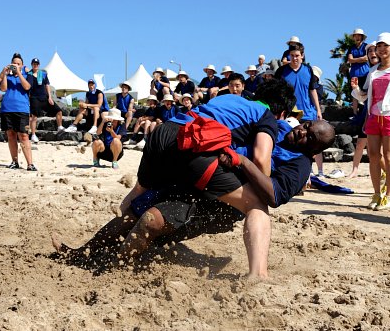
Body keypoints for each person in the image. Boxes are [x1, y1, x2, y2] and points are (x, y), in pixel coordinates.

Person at [53, 79, 297, 278]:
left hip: (163, 134)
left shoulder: (229, 99)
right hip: (188, 146)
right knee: (256, 204)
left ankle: (83, 252)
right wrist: (258, 184)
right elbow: (261, 158)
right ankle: (115, 269)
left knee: (137, 197)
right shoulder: (265, 116)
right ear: (282, 112)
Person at [351, 32, 390, 211]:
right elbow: (365, 96)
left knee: (389, 155)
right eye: (379, 46)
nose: (382, 49)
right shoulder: (372, 71)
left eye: (386, 45)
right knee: (374, 157)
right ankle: (377, 194)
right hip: (373, 117)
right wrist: (355, 89)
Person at [275, 43, 324, 177]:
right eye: (292, 56)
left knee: (315, 141)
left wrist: (318, 110)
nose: (294, 58)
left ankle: (318, 171)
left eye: (297, 56)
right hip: (290, 114)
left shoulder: (308, 70)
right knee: (291, 141)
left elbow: (312, 90)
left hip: (308, 112)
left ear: (302, 56)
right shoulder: (281, 71)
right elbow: (277, 92)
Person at [0, 53, 38, 171]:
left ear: (22, 65)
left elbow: (27, 87)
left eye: (18, 64)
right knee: (11, 135)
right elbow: (3, 88)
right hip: (7, 109)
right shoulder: (7, 76)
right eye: (14, 63)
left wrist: (19, 73)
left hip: (21, 109)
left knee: (24, 135)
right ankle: (14, 161)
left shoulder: (27, 75)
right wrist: (5, 73)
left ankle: (30, 164)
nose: (15, 65)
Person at [348, 41, 378, 178]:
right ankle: (354, 170)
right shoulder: (370, 73)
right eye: (369, 51)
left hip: (384, 114)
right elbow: (364, 96)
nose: (372, 53)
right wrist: (356, 89)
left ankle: (381, 173)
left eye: (374, 50)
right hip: (368, 113)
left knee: (378, 148)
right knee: (361, 143)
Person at [28, 58, 64, 143]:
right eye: (34, 64)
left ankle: (60, 127)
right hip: (34, 98)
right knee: (34, 117)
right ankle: (33, 135)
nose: (35, 65)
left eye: (37, 64)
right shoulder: (29, 74)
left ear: (39, 65)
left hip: (44, 97)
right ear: (32, 64)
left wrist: (50, 97)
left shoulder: (43, 74)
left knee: (58, 110)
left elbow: (47, 85)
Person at [347, 28, 369, 114]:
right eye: (355, 36)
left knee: (366, 93)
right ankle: (355, 113)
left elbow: (367, 58)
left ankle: (366, 113)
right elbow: (350, 60)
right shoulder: (351, 48)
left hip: (365, 74)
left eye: (359, 36)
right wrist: (361, 59)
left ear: (362, 37)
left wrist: (355, 59)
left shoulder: (366, 46)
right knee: (355, 94)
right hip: (354, 74)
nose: (357, 37)